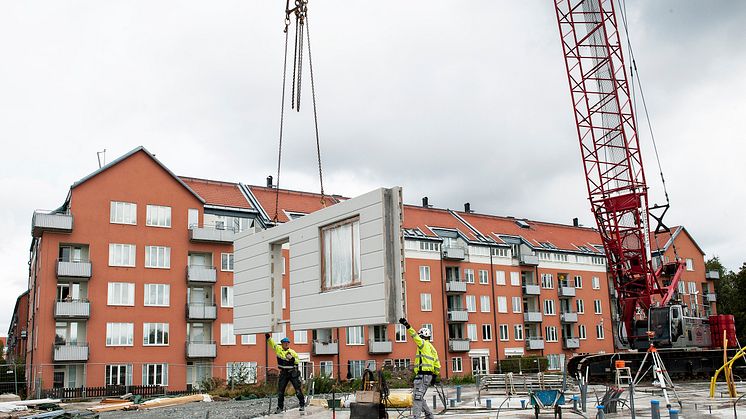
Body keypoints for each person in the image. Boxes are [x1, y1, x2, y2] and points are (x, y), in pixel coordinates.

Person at [399, 317, 440, 419]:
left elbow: (414, 335)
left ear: (422, 336)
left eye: (420, 336)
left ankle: (416, 417)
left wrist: (407, 325)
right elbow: (437, 364)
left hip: (422, 375)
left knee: (417, 397)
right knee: (419, 396)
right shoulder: (432, 348)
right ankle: (429, 415)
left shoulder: (422, 344)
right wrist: (434, 376)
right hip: (428, 376)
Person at [265, 334, 305, 413]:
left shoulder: (292, 352)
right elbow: (272, 343)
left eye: (287, 343)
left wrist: (292, 359)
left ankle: (302, 405)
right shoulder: (278, 349)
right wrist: (268, 337)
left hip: (292, 373)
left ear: (288, 344)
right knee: (280, 391)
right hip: (283, 373)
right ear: (282, 343)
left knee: (297, 390)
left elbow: (298, 361)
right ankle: (280, 408)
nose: (286, 344)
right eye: (284, 343)